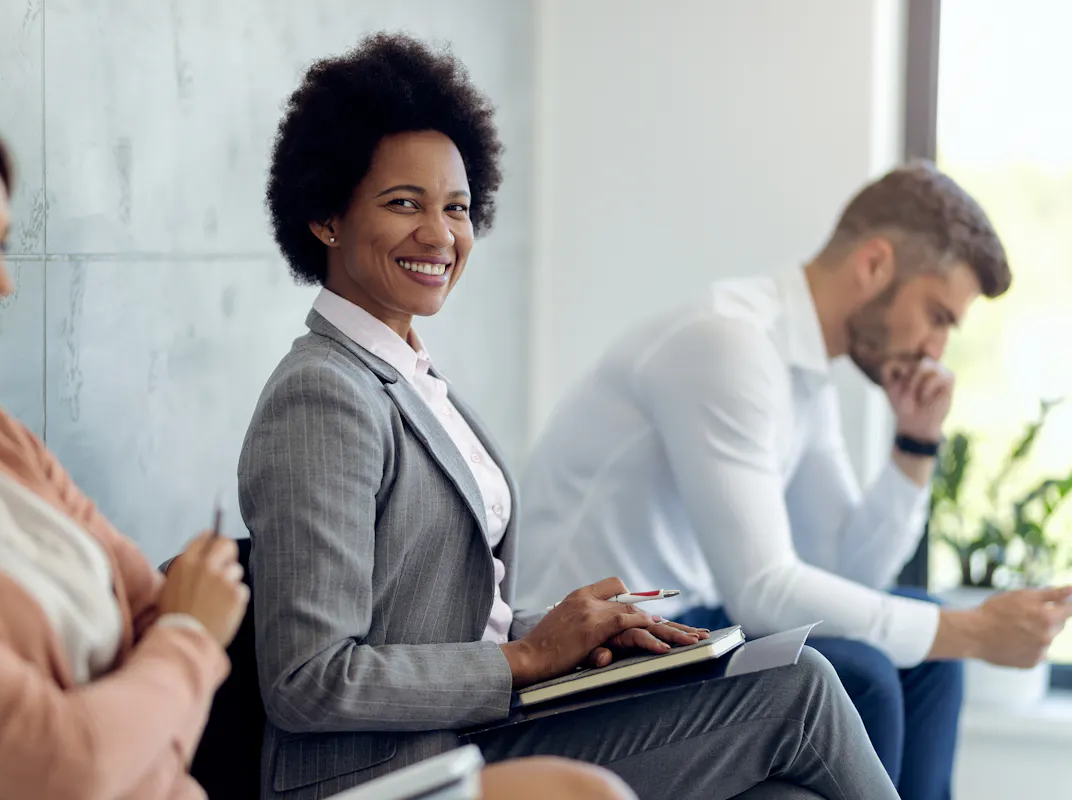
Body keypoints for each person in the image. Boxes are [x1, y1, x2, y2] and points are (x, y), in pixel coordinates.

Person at [240, 33, 898, 800]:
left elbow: (440, 621)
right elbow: (308, 679)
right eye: (403, 203)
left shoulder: (411, 380)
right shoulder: (322, 395)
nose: (440, 234)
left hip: (475, 731)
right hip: (393, 772)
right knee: (800, 689)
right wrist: (528, 658)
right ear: (327, 216)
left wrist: (568, 627)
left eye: (456, 208)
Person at [515, 162, 1072, 800]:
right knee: (867, 672)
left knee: (929, 662)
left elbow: (847, 570)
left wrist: (916, 443)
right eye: (937, 315)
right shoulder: (728, 344)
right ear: (874, 264)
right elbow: (762, 589)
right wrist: (973, 631)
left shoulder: (803, 374)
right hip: (594, 649)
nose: (936, 349)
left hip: (683, 622)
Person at [0, 99, 252, 799]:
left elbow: (150, 608)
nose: (2, 280)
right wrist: (193, 640)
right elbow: (67, 768)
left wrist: (157, 667)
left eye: (2, 243)